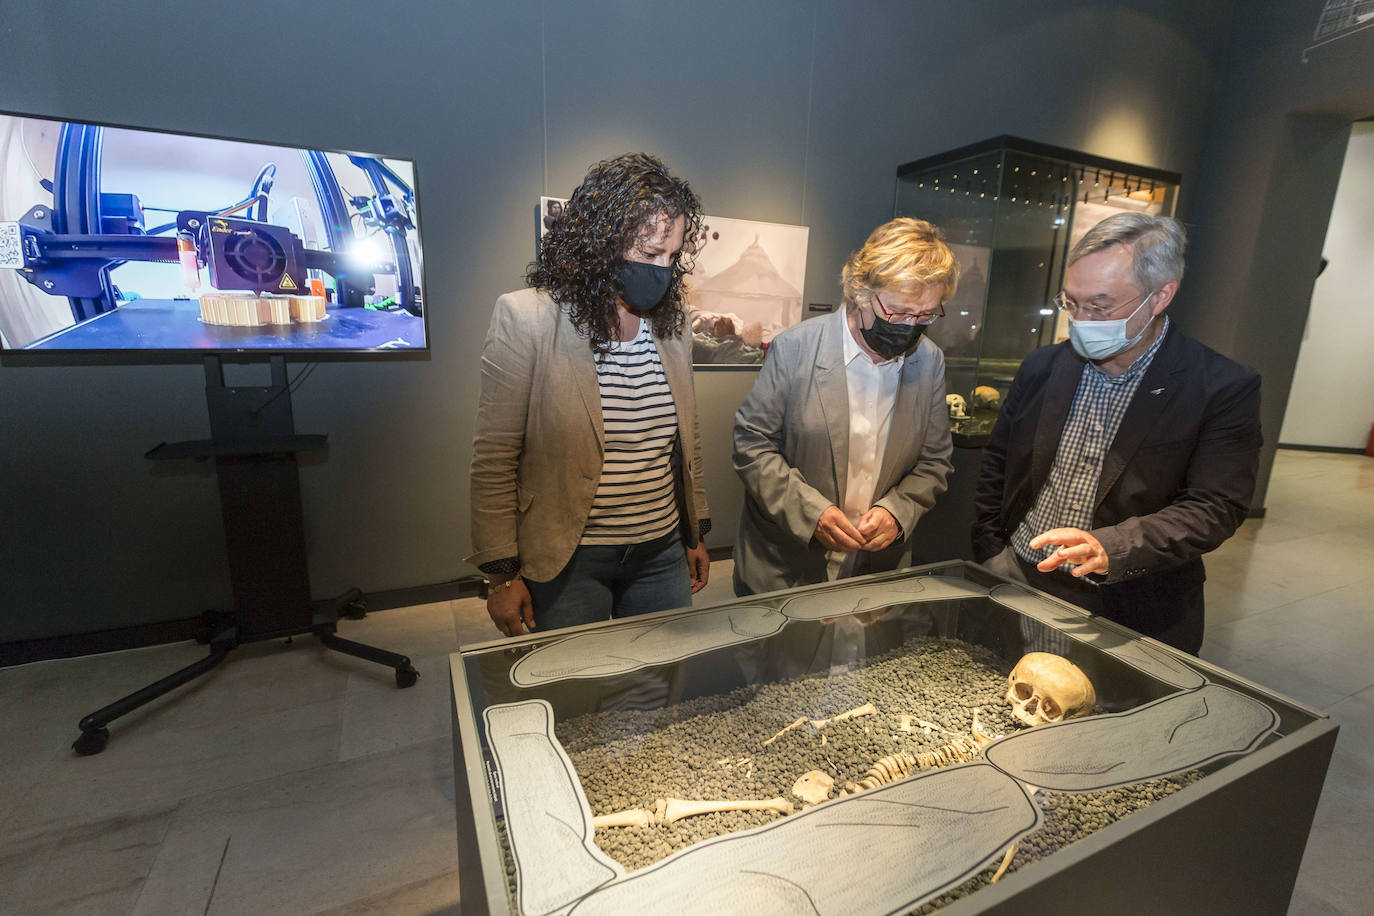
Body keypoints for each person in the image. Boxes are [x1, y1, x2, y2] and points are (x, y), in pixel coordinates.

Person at [972, 212, 1262, 654]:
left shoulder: (1220, 387)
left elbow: (1216, 505)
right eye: (1071, 302)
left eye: (1101, 307)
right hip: (1017, 576)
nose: (1082, 320)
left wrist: (1114, 547)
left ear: (1160, 296)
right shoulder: (1043, 367)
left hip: (1128, 604)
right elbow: (998, 462)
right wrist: (993, 550)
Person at [468, 153, 711, 637]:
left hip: (659, 550)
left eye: (671, 256)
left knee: (657, 689)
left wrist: (694, 531)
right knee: (575, 698)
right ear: (601, 243)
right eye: (647, 253)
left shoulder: (674, 324)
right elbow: (494, 459)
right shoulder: (528, 318)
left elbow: (686, 441)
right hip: (568, 558)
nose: (662, 271)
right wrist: (500, 576)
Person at [732, 217, 956, 596]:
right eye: (898, 312)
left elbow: (935, 461)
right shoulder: (796, 349)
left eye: (925, 315)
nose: (910, 326)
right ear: (860, 292)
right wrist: (811, 513)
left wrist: (897, 512)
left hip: (877, 570)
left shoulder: (929, 360)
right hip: (788, 565)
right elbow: (751, 445)